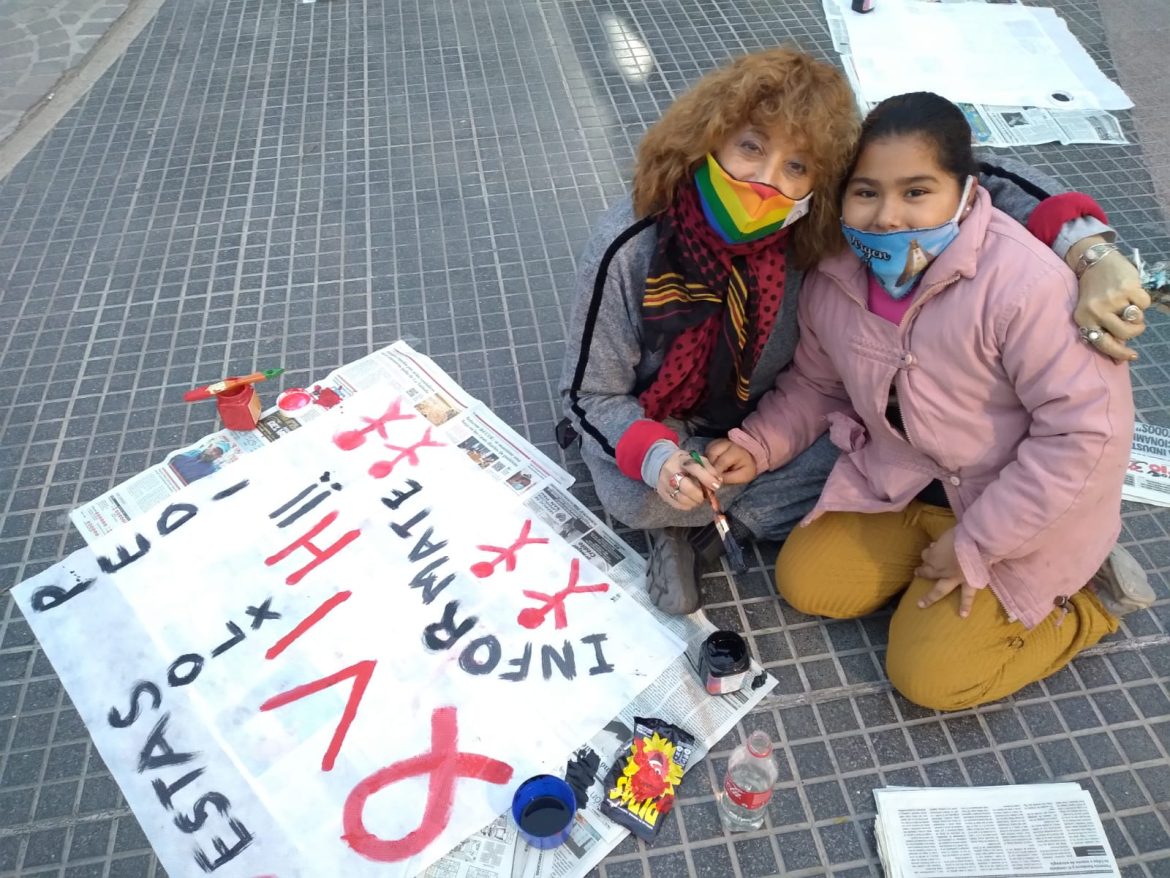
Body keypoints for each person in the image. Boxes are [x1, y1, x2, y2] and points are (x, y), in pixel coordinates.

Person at [557, 47, 1151, 616]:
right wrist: (657, 457)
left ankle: (709, 529)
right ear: (707, 137)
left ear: (823, 182)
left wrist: (1090, 252)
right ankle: (706, 524)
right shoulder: (631, 245)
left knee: (868, 438)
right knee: (637, 491)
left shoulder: (814, 227)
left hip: (783, 413)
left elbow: (974, 176)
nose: (765, 182)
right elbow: (589, 394)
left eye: (796, 167)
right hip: (678, 424)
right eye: (750, 147)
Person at [715, 92, 1152, 710]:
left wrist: (976, 543)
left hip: (1016, 505)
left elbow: (1085, 437)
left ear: (968, 193)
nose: (888, 216)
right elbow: (817, 384)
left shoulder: (1028, 284)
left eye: (917, 191)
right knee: (807, 583)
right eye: (866, 192)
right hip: (908, 484)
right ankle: (939, 589)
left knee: (929, 680)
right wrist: (757, 445)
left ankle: (1085, 603)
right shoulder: (836, 272)